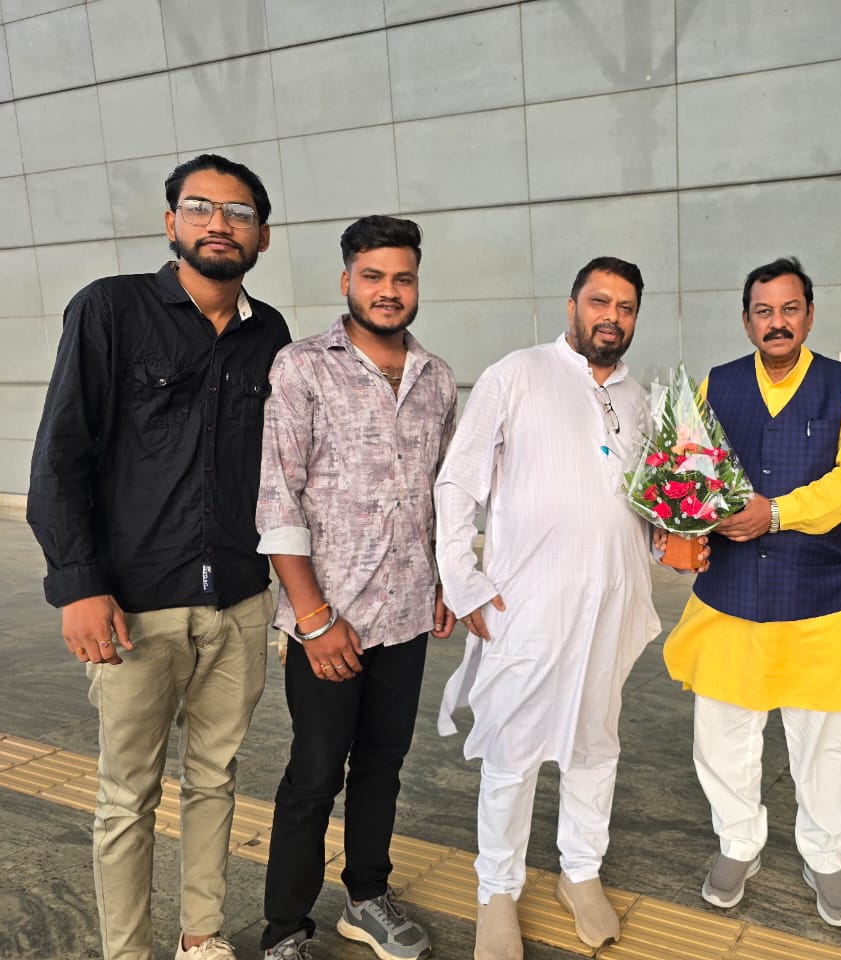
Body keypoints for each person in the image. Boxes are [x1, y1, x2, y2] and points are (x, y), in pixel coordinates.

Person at [26, 154, 289, 960]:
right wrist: (78, 585)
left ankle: (201, 937)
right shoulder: (110, 309)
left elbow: (281, 471)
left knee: (216, 778)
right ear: (171, 222)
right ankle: (128, 951)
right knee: (126, 797)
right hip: (136, 605)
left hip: (238, 600)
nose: (220, 224)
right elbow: (60, 457)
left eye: (239, 213)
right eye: (200, 207)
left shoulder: (270, 335)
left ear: (263, 237)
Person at [434, 257, 661, 960]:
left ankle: (580, 872)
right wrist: (463, 580)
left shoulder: (640, 399)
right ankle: (496, 891)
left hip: (613, 602)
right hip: (527, 603)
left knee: (596, 743)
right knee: (513, 749)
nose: (611, 317)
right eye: (600, 301)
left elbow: (649, 501)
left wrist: (674, 541)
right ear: (572, 306)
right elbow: (457, 482)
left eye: (625, 307)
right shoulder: (517, 374)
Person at [255, 216, 456, 960]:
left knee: (383, 765)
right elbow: (277, 497)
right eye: (373, 277)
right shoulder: (303, 367)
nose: (388, 291)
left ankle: (367, 898)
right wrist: (313, 617)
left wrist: (445, 576)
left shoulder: (437, 378)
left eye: (403, 278)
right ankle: (284, 930)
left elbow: (444, 492)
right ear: (347, 281)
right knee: (314, 774)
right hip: (327, 622)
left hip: (406, 615)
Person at [662, 256, 841, 927]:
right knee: (723, 731)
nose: (776, 322)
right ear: (746, 320)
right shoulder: (717, 383)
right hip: (730, 592)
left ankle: (825, 856)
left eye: (789, 309)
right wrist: (680, 526)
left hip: (821, 594)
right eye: (764, 311)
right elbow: (688, 469)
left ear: (809, 316)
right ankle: (738, 843)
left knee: (823, 742)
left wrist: (779, 512)